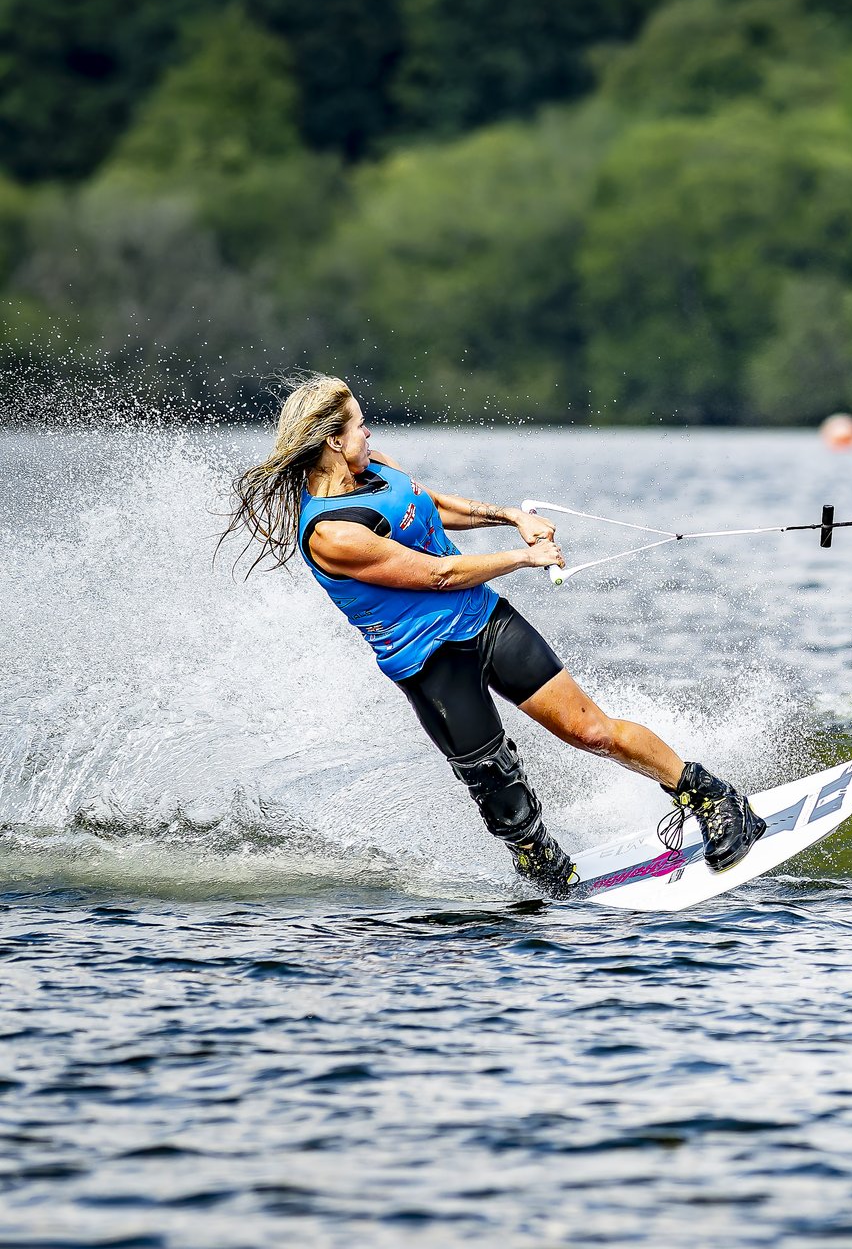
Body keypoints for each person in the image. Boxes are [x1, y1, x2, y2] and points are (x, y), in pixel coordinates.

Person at [219, 375, 766, 896]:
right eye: (359, 424)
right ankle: (549, 873)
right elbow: (438, 574)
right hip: (431, 666)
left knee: (591, 731)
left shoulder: (376, 467)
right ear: (334, 442)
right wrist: (524, 558)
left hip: (485, 621)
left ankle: (714, 799)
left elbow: (433, 506)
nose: (369, 431)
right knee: (504, 801)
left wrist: (512, 517)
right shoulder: (332, 532)